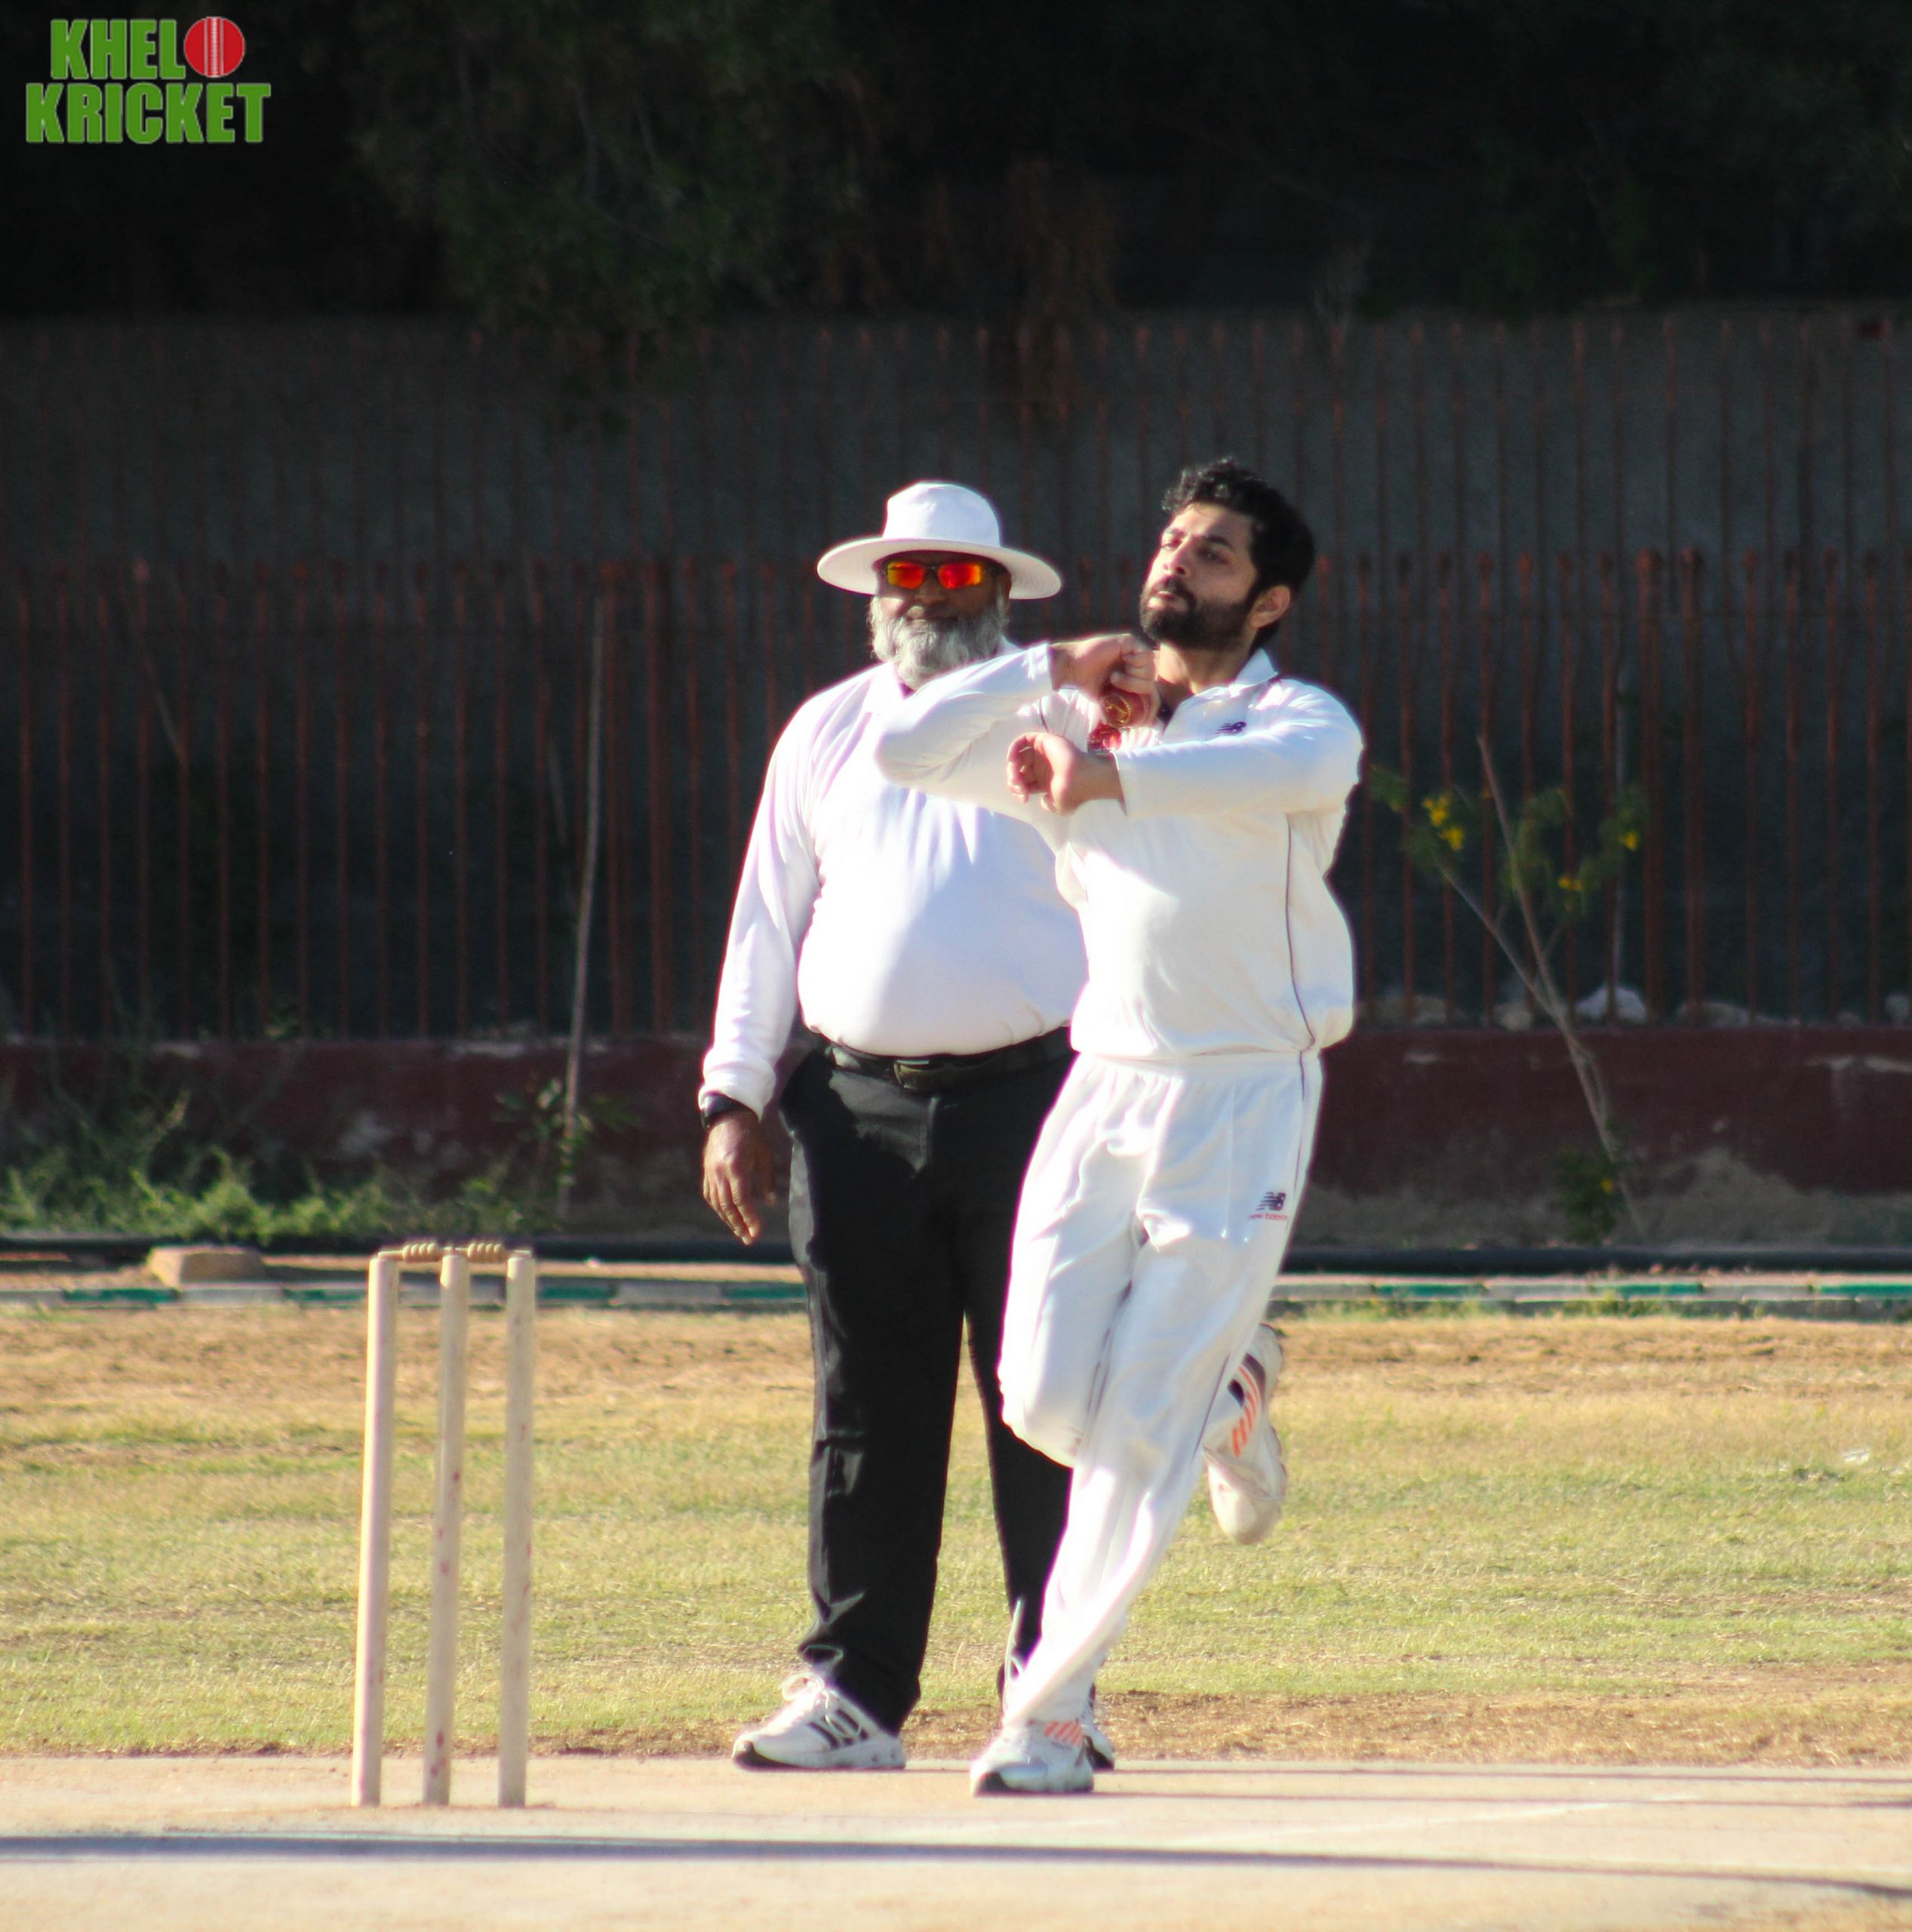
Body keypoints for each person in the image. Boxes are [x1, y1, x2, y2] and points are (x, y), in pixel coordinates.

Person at [873, 458, 1363, 1795]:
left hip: (1242, 1093)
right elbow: (903, 750)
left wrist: (1104, 780)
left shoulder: (1293, 721)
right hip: (1103, 1084)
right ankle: (1227, 1393)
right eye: (1171, 540)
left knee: (1133, 1427)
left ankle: (1046, 1715)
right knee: (1039, 1397)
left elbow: (1292, 770)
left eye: (1213, 554)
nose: (1175, 563)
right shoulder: (1081, 708)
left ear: (1266, 602)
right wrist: (1051, 665)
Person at [700, 480, 1109, 1772]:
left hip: (1035, 1102)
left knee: (1045, 1400)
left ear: (999, 593)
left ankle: (1054, 1691)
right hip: (854, 1109)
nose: (927, 600)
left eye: (953, 578)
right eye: (907, 578)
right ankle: (855, 1694)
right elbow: (767, 915)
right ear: (877, 596)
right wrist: (734, 1094)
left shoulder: (1065, 717)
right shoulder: (825, 729)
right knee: (865, 1404)